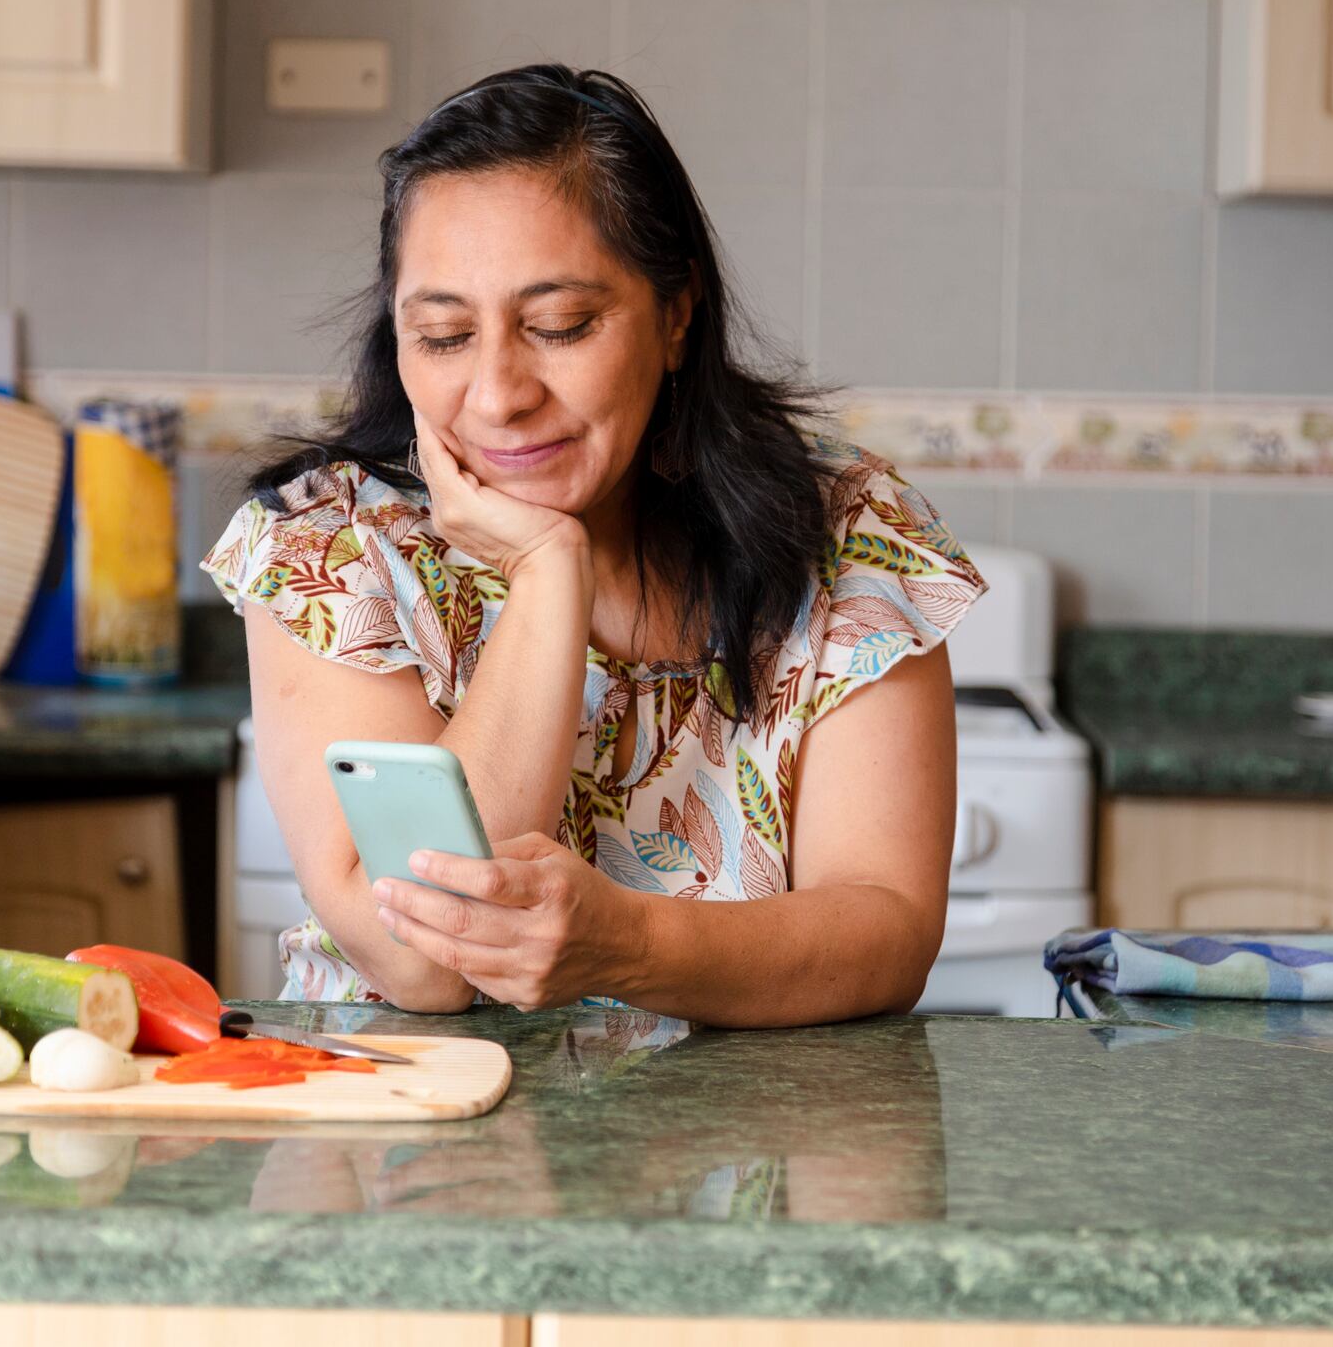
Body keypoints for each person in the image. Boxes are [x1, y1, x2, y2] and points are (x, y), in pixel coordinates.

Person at [204, 65, 984, 1027]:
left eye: (559, 325)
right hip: (413, 1153)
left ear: (676, 314)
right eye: (444, 335)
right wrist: (544, 578)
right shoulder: (324, 549)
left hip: (754, 1153)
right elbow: (429, 962)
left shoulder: (850, 533)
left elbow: (888, 930)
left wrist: (630, 947)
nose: (497, 394)